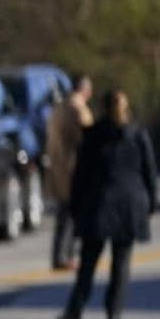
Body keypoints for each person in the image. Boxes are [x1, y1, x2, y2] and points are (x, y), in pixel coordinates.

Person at [57, 89, 157, 319]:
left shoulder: (94, 136)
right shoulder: (138, 135)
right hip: (129, 205)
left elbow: (80, 175)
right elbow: (149, 173)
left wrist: (75, 205)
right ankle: (114, 312)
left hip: (99, 203)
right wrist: (149, 203)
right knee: (121, 264)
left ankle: (76, 309)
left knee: (89, 261)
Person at [46, 73, 94, 270]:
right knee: (72, 215)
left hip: (59, 167)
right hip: (74, 168)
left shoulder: (60, 107)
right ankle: (66, 255)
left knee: (63, 214)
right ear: (84, 89)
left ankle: (60, 254)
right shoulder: (77, 108)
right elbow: (86, 137)